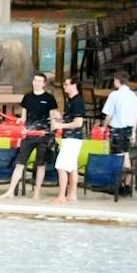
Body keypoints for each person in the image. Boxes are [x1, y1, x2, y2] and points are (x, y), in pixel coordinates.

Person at [2, 73, 57, 200]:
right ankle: (10, 191)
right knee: (20, 162)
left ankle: (37, 192)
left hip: (44, 135)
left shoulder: (49, 99)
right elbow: (24, 117)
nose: (36, 83)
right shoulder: (27, 97)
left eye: (39, 81)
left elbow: (53, 118)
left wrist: (52, 134)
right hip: (28, 134)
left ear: (44, 84)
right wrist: (18, 121)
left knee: (40, 164)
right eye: (35, 80)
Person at [101, 70, 137, 192]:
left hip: (117, 129)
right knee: (125, 154)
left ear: (117, 81)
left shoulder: (115, 95)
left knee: (118, 157)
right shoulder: (134, 97)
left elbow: (109, 115)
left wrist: (103, 127)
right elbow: (135, 117)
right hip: (129, 129)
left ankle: (117, 185)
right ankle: (128, 184)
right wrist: (134, 133)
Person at [51, 76, 86, 204]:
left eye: (66, 84)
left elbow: (78, 122)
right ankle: (72, 194)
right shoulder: (71, 100)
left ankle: (61, 195)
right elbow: (70, 120)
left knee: (61, 165)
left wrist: (61, 125)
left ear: (74, 85)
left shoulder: (77, 101)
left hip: (73, 138)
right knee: (71, 167)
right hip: (71, 138)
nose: (64, 87)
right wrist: (59, 118)